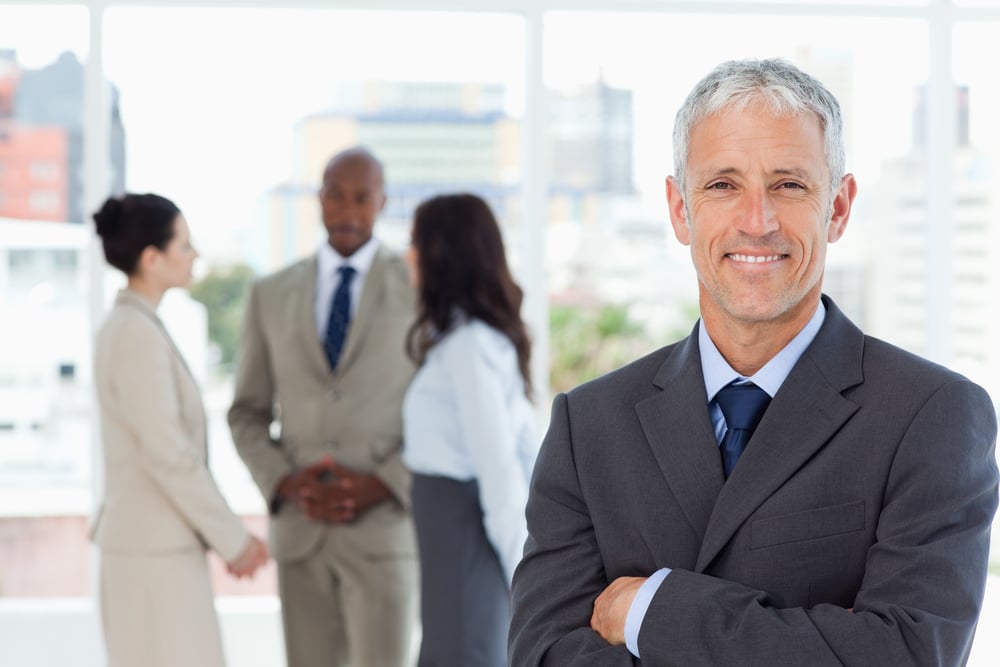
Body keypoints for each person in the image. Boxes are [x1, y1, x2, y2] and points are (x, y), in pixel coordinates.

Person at [508, 58, 999, 666]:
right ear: (680, 210)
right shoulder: (589, 426)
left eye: (789, 185)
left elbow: (906, 654)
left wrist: (648, 611)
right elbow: (541, 652)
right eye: (722, 185)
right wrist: (818, 641)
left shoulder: (933, 416)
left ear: (839, 208)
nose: (757, 221)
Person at [228, 146, 418, 667]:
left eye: (362, 198)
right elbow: (246, 412)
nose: (348, 211)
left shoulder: (419, 290)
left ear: (382, 203)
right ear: (319, 200)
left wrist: (384, 482)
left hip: (383, 533)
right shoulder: (269, 294)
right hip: (300, 533)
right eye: (336, 196)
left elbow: (439, 414)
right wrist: (286, 482)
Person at [90, 193, 268, 667]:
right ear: (152, 258)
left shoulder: (138, 326)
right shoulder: (133, 333)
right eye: (185, 245)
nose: (195, 256)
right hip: (152, 554)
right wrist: (234, 539)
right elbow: (168, 453)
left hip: (157, 548)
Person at [401, 193, 538, 666]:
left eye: (416, 242)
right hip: (451, 559)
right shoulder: (463, 341)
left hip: (465, 555)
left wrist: (528, 583)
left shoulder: (470, 348)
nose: (408, 255)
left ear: (443, 253)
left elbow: (500, 471)